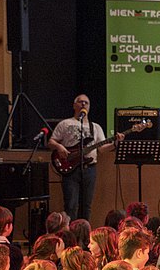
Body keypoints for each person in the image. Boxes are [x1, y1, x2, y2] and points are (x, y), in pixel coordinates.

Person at [48, 94, 122, 222]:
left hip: (89, 169)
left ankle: (84, 235)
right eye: (80, 102)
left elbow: (102, 148)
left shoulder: (96, 127)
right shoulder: (65, 123)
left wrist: (115, 143)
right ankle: (70, 235)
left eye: (86, 103)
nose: (83, 104)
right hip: (70, 168)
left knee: (86, 206)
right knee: (70, 205)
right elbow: (51, 142)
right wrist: (60, 147)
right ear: (74, 105)